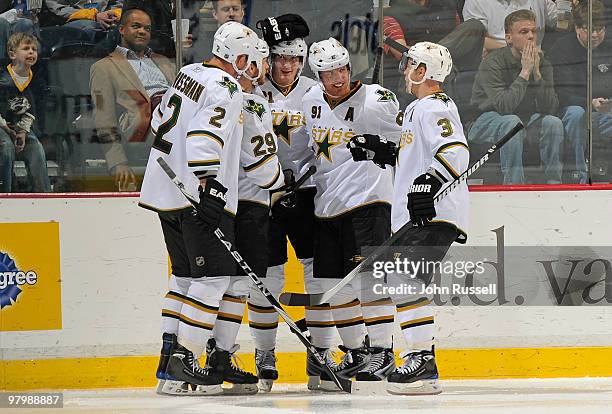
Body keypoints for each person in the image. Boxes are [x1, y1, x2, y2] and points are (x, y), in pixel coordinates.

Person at [139, 21, 260, 396]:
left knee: (185, 279)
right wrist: (209, 185)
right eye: (251, 62)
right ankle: (184, 362)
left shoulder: (188, 73)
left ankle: (166, 364)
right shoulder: (226, 88)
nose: (253, 70)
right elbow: (205, 137)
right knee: (212, 283)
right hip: (197, 195)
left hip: (165, 191)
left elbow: (160, 122)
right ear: (237, 58)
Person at [349, 41, 469, 395]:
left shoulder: (435, 106)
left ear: (423, 72)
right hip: (418, 215)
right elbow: (415, 156)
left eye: (410, 65)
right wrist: (379, 149)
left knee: (403, 282)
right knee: (399, 283)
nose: (404, 70)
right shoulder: (418, 109)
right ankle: (421, 360)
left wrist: (429, 182)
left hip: (433, 213)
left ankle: (422, 363)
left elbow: (455, 151)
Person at [303, 37, 403, 389]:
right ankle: (357, 351)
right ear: (317, 75)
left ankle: (383, 350)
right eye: (329, 72)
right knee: (334, 285)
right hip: (326, 206)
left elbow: (409, 144)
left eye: (342, 68)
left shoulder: (377, 100)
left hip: (369, 202)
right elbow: (310, 152)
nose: (338, 77)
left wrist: (380, 147)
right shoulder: (309, 101)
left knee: (369, 280)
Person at [255, 14, 337, 392]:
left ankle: (319, 354)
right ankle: (265, 353)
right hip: (264, 198)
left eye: (293, 58)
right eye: (279, 58)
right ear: (267, 59)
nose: (286, 66)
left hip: (308, 198)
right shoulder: (252, 91)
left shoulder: (315, 91)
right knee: (265, 278)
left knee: (315, 274)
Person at [210, 37, 285, 394]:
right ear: (249, 64)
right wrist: (280, 182)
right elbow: (266, 172)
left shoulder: (209, 91)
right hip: (251, 207)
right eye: (264, 61)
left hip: (214, 204)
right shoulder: (252, 103)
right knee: (238, 287)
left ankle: (203, 356)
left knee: (209, 285)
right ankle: (220, 356)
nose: (267, 68)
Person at [469, 9, 563, 184]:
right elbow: (504, 107)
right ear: (508, 38)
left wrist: (537, 73)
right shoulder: (493, 63)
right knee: (512, 123)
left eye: (533, 31)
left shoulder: (542, 63)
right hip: (484, 120)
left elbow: (550, 108)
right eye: (524, 32)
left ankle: (554, 183)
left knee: (553, 122)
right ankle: (513, 185)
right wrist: (525, 72)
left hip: (522, 118)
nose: (531, 37)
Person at [90, 7, 175, 191]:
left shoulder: (163, 61)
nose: (143, 31)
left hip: (174, 117)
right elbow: (104, 117)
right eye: (136, 26)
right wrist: (117, 162)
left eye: (147, 28)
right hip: (142, 126)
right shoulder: (103, 67)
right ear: (121, 30)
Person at [550, 0, 612, 183]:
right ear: (577, 28)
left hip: (604, 112)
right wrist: (591, 104)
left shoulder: (609, 49)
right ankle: (578, 176)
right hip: (571, 111)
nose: (595, 35)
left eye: (600, 29)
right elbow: (562, 93)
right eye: (589, 29)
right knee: (577, 113)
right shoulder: (561, 49)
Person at [0, 32, 50, 193]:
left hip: (20, 128)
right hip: (1, 127)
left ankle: (45, 197)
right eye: (26, 48)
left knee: (36, 149)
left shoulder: (37, 79)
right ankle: (6, 194)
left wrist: (22, 131)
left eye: (34, 49)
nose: (31, 52)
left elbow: (32, 110)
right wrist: (8, 131)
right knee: (6, 149)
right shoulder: (2, 77)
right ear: (12, 54)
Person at [463, 0, 558, 55]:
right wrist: (516, 50)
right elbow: (476, 39)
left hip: (538, 61)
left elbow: (560, 22)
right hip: (499, 61)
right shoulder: (476, 2)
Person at [44, 0, 123, 42]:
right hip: (75, 19)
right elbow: (58, 9)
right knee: (90, 27)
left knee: (128, 28)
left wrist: (112, 14)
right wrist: (93, 15)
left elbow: (121, 3)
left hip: (109, 17)